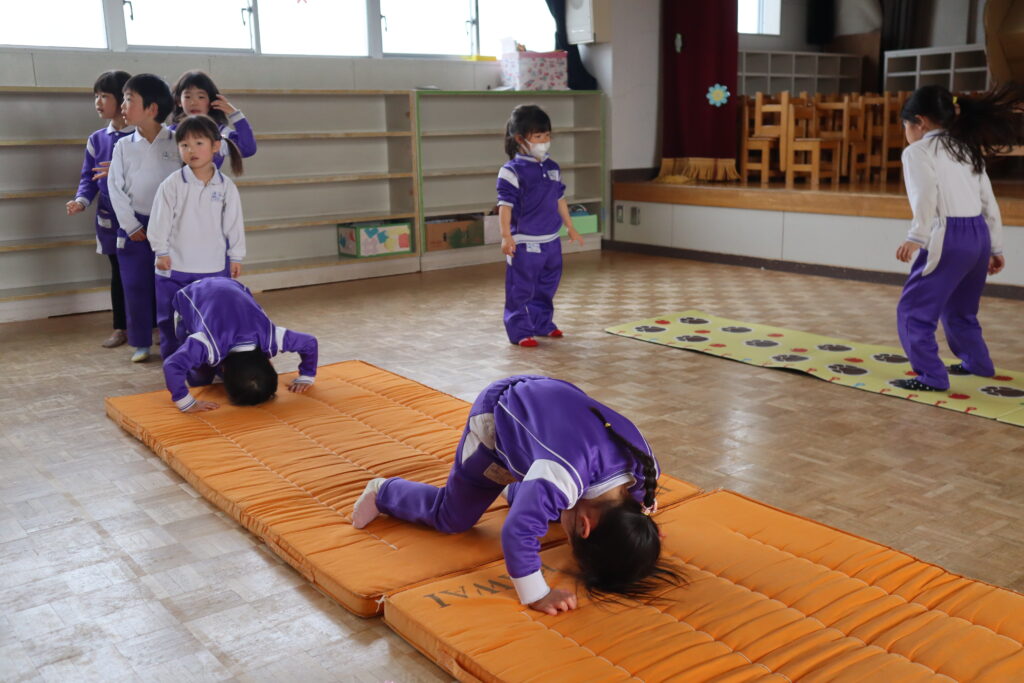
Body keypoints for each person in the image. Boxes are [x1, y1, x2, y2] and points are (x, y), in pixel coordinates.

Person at [351, 375, 681, 615]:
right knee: (451, 517)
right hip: (498, 421)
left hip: (551, 401)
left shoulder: (645, 469)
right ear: (584, 526)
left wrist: (641, 531)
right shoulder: (562, 474)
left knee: (553, 511)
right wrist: (536, 594)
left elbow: (641, 506)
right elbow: (517, 532)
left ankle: (521, 491)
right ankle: (384, 492)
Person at [893, 83, 1023, 391]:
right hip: (978, 236)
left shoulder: (917, 152)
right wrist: (995, 246)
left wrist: (916, 236)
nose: (906, 132)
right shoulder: (965, 148)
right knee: (960, 309)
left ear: (919, 122)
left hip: (948, 236)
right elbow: (988, 201)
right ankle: (978, 363)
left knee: (913, 311)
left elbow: (926, 196)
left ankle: (931, 376)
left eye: (906, 125)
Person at [148, 115, 246, 360]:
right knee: (170, 319)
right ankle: (175, 362)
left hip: (213, 268)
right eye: (184, 145)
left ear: (215, 146)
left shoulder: (226, 186)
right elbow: (159, 221)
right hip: (174, 267)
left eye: (198, 143)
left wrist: (236, 256)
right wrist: (161, 251)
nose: (191, 150)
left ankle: (212, 361)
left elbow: (234, 224)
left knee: (213, 318)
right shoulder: (171, 184)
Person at [496, 105, 585, 347]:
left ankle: (542, 323)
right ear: (520, 139)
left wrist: (570, 226)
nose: (544, 141)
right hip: (525, 242)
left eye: (547, 135)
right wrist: (506, 236)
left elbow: (560, 199)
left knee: (546, 286)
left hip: (551, 241)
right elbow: (505, 206)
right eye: (538, 136)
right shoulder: (511, 171)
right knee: (520, 288)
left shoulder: (552, 167)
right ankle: (519, 331)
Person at [107, 74, 180, 363]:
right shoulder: (123, 145)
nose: (122, 106)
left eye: (129, 100)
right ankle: (140, 342)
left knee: (169, 285)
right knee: (135, 285)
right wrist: (131, 225)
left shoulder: (177, 141)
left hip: (170, 226)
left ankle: (172, 339)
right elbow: (114, 187)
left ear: (152, 108)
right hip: (134, 227)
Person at [162, 277, 318, 412]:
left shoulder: (272, 337)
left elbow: (310, 342)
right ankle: (200, 377)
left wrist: (307, 376)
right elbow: (172, 365)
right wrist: (186, 402)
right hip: (191, 295)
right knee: (199, 372)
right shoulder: (207, 343)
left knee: (218, 366)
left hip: (233, 286)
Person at [66, 70, 134, 348]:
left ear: (123, 99)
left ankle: (152, 326)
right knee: (118, 273)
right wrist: (81, 200)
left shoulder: (143, 136)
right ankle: (121, 327)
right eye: (96, 96)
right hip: (109, 221)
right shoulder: (96, 139)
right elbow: (88, 178)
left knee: (146, 273)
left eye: (104, 96)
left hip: (141, 219)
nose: (98, 101)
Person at [171, 70, 257, 167]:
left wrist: (234, 113)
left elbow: (248, 149)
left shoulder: (220, 132)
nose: (194, 102)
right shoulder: (170, 132)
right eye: (187, 97)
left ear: (211, 100)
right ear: (179, 101)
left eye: (201, 97)